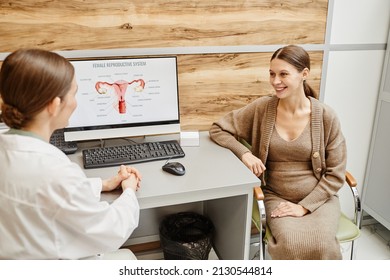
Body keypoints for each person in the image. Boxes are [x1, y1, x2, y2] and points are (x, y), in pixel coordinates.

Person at [0, 49, 142, 260]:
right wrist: (129, 191)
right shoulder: (55, 172)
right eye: (74, 94)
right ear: (54, 105)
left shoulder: (12, 150)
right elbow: (110, 231)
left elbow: (46, 194)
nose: (76, 102)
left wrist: (102, 184)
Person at [209, 45, 347, 260]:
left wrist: (304, 207)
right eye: (272, 74)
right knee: (291, 245)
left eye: (283, 74)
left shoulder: (326, 116)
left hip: (319, 199)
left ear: (304, 74)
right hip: (277, 196)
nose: (275, 81)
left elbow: (336, 174)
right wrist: (244, 154)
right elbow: (218, 128)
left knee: (323, 244)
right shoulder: (262, 108)